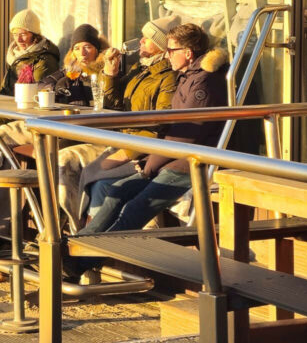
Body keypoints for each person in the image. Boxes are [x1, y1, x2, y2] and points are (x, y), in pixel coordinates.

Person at [78, 25, 225, 234]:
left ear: (188, 53)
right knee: (115, 192)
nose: (168, 55)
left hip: (189, 163)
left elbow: (186, 136)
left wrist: (149, 165)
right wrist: (110, 74)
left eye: (171, 50)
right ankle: (79, 244)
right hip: (166, 157)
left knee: (134, 209)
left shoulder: (203, 84)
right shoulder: (186, 76)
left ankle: (83, 259)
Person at [50, 16, 181, 224]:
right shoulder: (141, 70)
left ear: (160, 45)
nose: (140, 42)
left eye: (146, 39)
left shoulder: (167, 77)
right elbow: (114, 105)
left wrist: (126, 153)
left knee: (99, 181)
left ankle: (93, 238)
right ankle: (77, 230)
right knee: (77, 167)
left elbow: (161, 125)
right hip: (124, 141)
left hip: (141, 149)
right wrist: (110, 74)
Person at [0, 9, 61, 95]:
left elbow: (39, 94)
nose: (19, 39)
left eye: (23, 34)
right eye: (15, 34)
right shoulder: (14, 56)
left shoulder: (44, 61)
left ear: (34, 35)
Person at [48, 25, 107, 106]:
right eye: (77, 48)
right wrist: (55, 89)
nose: (82, 53)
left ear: (97, 50)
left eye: (87, 47)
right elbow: (40, 87)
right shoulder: (70, 72)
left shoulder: (108, 72)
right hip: (74, 117)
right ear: (73, 53)